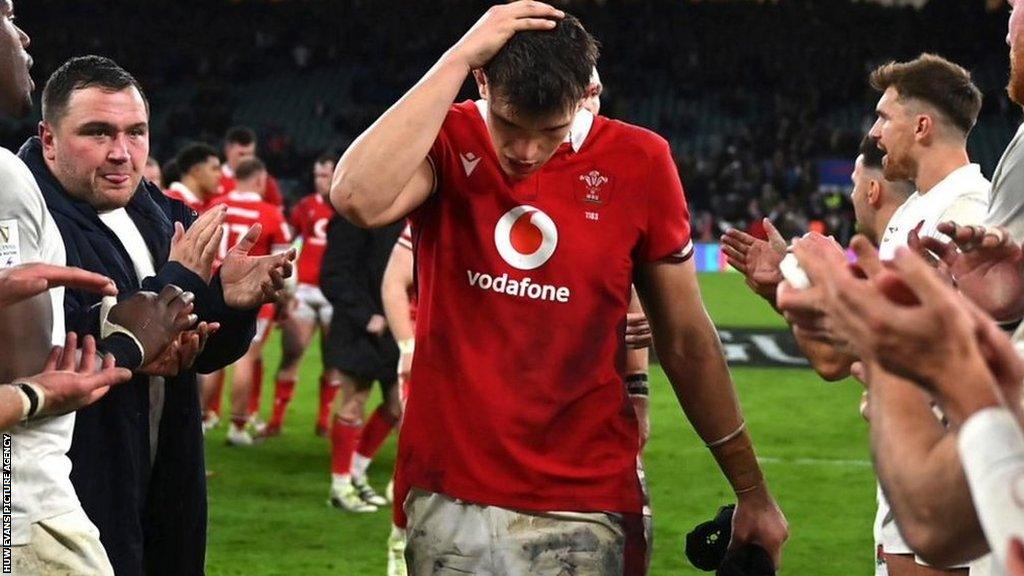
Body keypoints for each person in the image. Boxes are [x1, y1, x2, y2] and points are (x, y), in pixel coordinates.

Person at [331, 3, 787, 573]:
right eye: (509, 124)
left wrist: (751, 490)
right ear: (481, 81)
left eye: (548, 130)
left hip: (587, 497)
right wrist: (459, 54)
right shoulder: (449, 138)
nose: (525, 151)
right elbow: (357, 198)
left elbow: (688, 339)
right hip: (451, 486)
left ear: (587, 90)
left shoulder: (640, 160)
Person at [21, 55, 295, 576]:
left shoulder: (158, 210)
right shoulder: (24, 215)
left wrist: (226, 305)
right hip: (61, 481)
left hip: (165, 463)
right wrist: (181, 287)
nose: (122, 154)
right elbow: (55, 341)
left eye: (136, 132)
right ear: (49, 139)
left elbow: (198, 349)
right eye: (98, 133)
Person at [320, 207, 402, 512]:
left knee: (397, 404)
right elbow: (333, 273)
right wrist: (366, 316)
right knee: (355, 399)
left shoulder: (403, 214)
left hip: (395, 323)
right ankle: (339, 486)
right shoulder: (353, 216)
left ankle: (356, 472)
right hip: (360, 326)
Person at [207, 157, 294, 446]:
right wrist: (285, 299)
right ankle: (238, 426)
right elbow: (285, 263)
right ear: (259, 180)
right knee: (246, 357)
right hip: (253, 292)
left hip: (214, 285)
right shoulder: (270, 213)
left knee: (208, 354)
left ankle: (203, 419)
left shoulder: (215, 204)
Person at [269, 153, 341, 436]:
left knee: (333, 361)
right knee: (292, 354)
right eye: (317, 175)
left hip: (334, 295)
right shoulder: (305, 206)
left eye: (325, 175)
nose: (320, 181)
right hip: (305, 290)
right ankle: (276, 421)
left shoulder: (350, 206)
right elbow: (288, 243)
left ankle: (323, 422)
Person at [219, 125, 284, 207]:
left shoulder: (265, 181)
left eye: (250, 154)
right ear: (227, 150)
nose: (246, 159)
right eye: (241, 154)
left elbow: (276, 213)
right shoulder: (213, 177)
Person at [164, 143, 221, 213]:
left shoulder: (212, 207)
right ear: (196, 171)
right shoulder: (167, 203)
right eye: (214, 169)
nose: (219, 175)